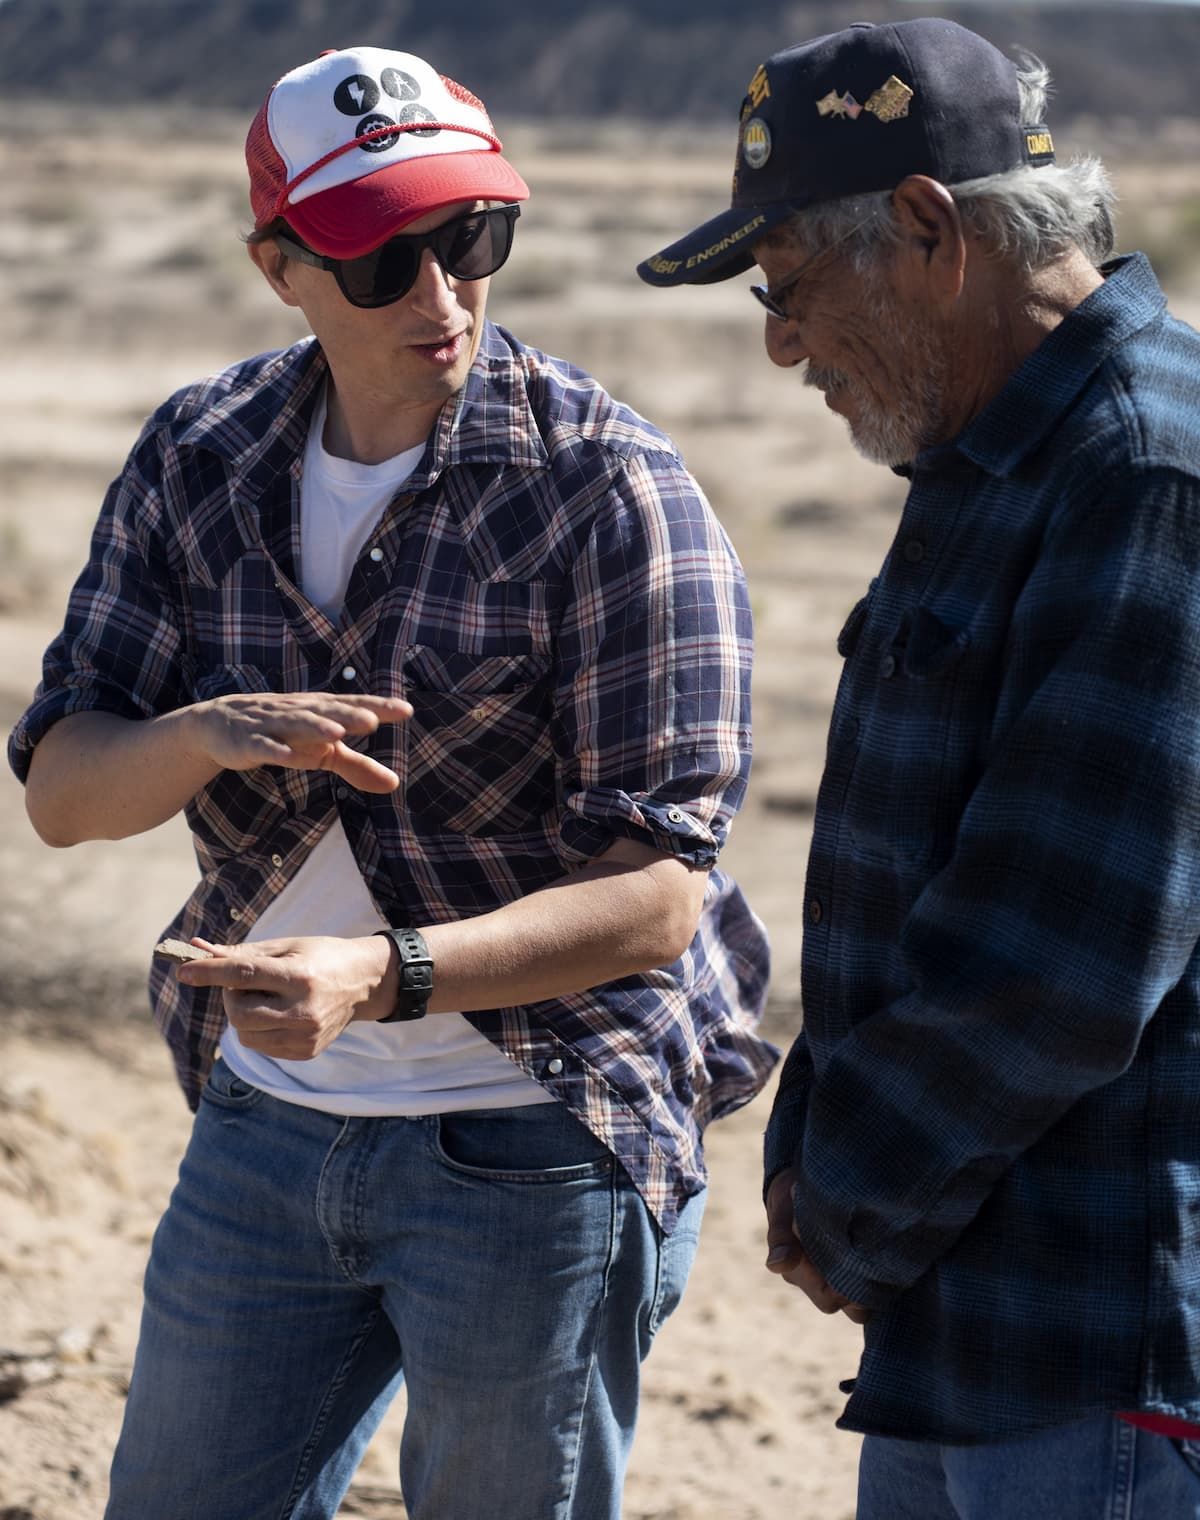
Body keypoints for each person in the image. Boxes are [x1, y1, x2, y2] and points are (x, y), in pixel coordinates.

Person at [8, 43, 776, 1520]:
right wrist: (205, 734)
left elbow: (660, 897)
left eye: (473, 238)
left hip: (536, 1137)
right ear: (280, 266)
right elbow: (63, 793)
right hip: (264, 1131)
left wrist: (384, 974)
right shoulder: (198, 453)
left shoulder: (611, 488)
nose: (442, 294)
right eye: (383, 260)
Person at [638, 16, 1200, 1520]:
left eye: (792, 287)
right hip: (972, 1315)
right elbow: (919, 876)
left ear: (928, 229)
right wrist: (823, 1147)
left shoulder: (1144, 474)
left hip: (1099, 1346)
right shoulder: (995, 449)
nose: (781, 340)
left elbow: (1068, 957)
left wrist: (851, 1190)